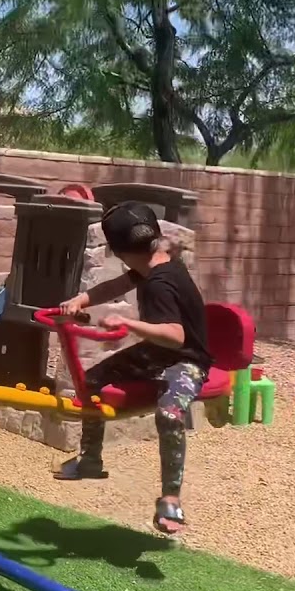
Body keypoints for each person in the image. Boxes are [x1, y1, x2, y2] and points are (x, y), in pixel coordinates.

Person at [54, 202, 212, 535]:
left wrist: (128, 323)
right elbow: (115, 286)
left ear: (119, 251)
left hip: (187, 359)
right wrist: (81, 301)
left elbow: (176, 336)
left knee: (169, 415)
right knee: (92, 380)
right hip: (159, 352)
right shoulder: (155, 263)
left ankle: (171, 499)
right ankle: (90, 460)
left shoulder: (158, 283)